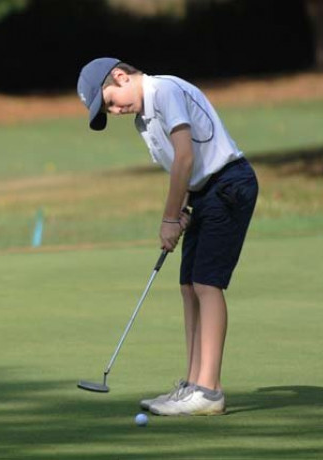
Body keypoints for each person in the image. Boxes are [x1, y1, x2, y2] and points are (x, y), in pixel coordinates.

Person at [76, 58, 259, 416]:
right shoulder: (143, 121)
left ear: (120, 75)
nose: (114, 111)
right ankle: (192, 385)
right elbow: (185, 170)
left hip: (230, 184)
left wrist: (169, 218)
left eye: (110, 101)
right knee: (189, 286)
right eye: (107, 110)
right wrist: (184, 210)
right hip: (205, 192)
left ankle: (209, 390)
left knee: (207, 284)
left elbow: (185, 159)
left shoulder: (165, 91)